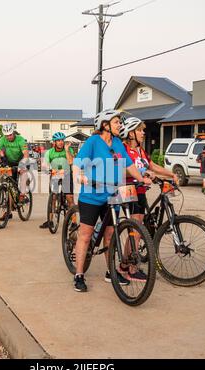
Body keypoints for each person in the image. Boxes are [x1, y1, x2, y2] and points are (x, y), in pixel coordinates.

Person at [72, 110, 152, 292]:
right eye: (116, 122)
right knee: (85, 236)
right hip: (91, 195)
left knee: (110, 236)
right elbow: (78, 163)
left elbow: (129, 164)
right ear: (105, 125)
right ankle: (79, 274)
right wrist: (79, 177)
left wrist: (140, 178)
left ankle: (110, 272)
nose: (120, 125)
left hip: (112, 195)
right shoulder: (93, 141)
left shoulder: (117, 143)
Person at [119, 117, 179, 280]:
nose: (143, 133)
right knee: (136, 229)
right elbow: (118, 171)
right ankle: (127, 266)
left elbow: (152, 166)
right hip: (128, 190)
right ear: (131, 133)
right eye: (140, 130)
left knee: (139, 229)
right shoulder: (123, 149)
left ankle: (128, 263)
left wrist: (171, 174)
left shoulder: (140, 150)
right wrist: (140, 174)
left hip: (141, 191)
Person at [0, 124, 29, 220]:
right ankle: (8, 212)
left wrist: (22, 165)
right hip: (9, 162)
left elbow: (26, 154)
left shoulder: (20, 140)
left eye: (10, 135)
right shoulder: (2, 139)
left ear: (13, 132)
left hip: (21, 160)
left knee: (23, 174)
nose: (8, 137)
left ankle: (22, 195)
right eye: (6, 135)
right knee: (6, 185)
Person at [39, 132, 75, 229]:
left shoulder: (68, 149)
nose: (61, 142)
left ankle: (74, 221)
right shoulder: (49, 152)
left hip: (66, 174)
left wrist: (67, 150)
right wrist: (48, 169)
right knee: (53, 197)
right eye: (58, 140)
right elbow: (45, 164)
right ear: (54, 142)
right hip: (55, 174)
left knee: (69, 197)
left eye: (62, 140)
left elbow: (71, 161)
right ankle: (50, 221)